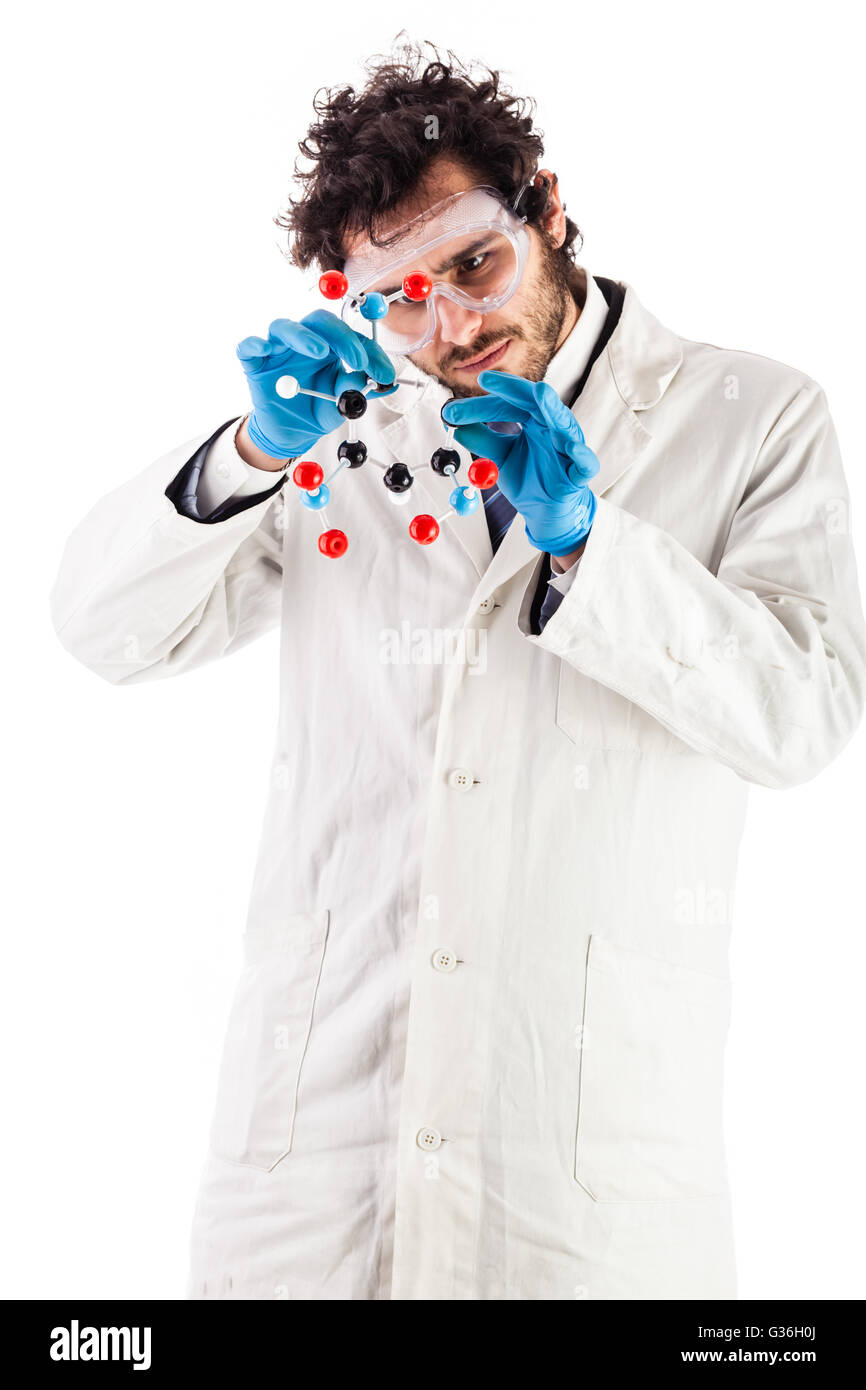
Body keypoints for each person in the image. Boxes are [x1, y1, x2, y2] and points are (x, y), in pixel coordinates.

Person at [50, 43, 866, 1301]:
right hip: (314, 1171)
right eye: (401, 296)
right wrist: (249, 451)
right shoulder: (342, 432)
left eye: (473, 262)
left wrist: (593, 548)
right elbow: (105, 629)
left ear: (542, 204)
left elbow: (803, 716)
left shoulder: (748, 416)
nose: (452, 326)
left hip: (584, 1191)